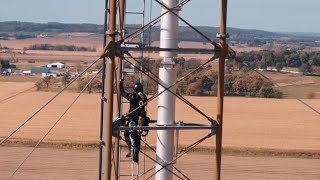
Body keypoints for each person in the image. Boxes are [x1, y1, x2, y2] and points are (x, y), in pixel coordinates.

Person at [119, 78, 148, 162]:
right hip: (141, 120)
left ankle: (130, 150)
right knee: (137, 137)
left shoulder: (132, 97)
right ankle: (136, 154)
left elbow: (122, 93)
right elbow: (143, 100)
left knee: (127, 134)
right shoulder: (144, 98)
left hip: (132, 119)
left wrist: (120, 84)